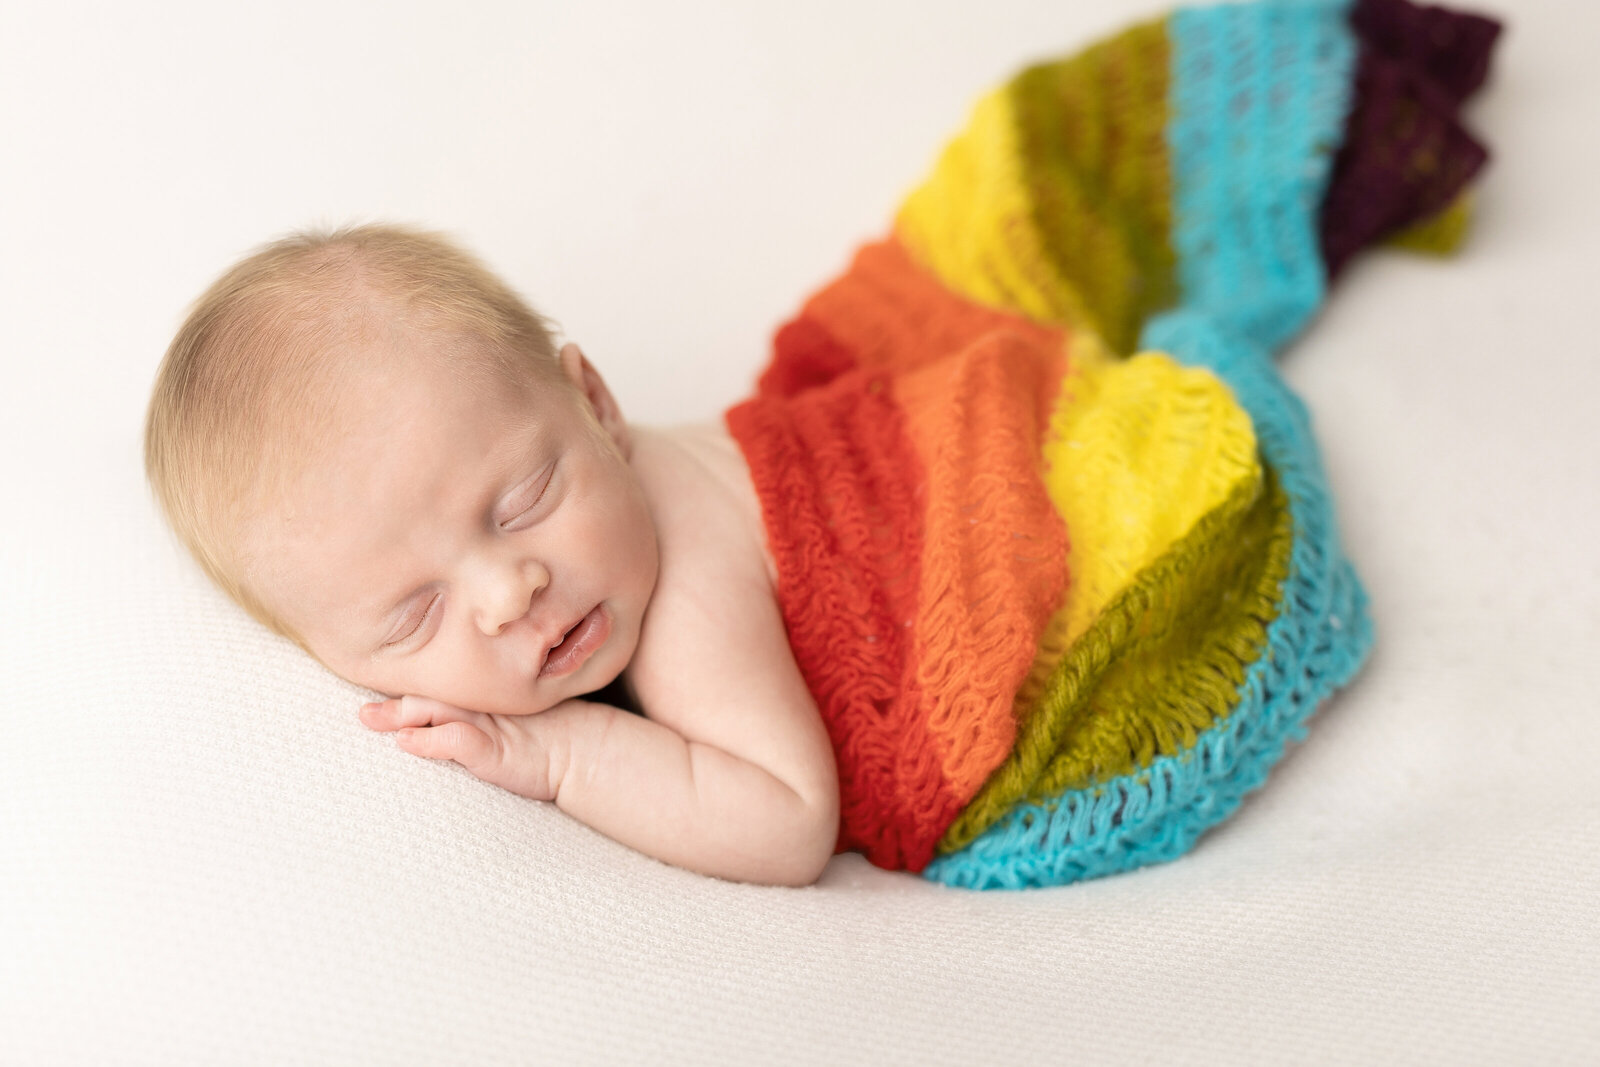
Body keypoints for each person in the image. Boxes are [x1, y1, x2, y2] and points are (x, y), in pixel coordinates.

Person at [144, 223, 840, 887]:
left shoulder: (688, 568)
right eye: (417, 615)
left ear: (597, 407)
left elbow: (788, 820)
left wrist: (562, 755)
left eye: (524, 501)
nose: (509, 595)